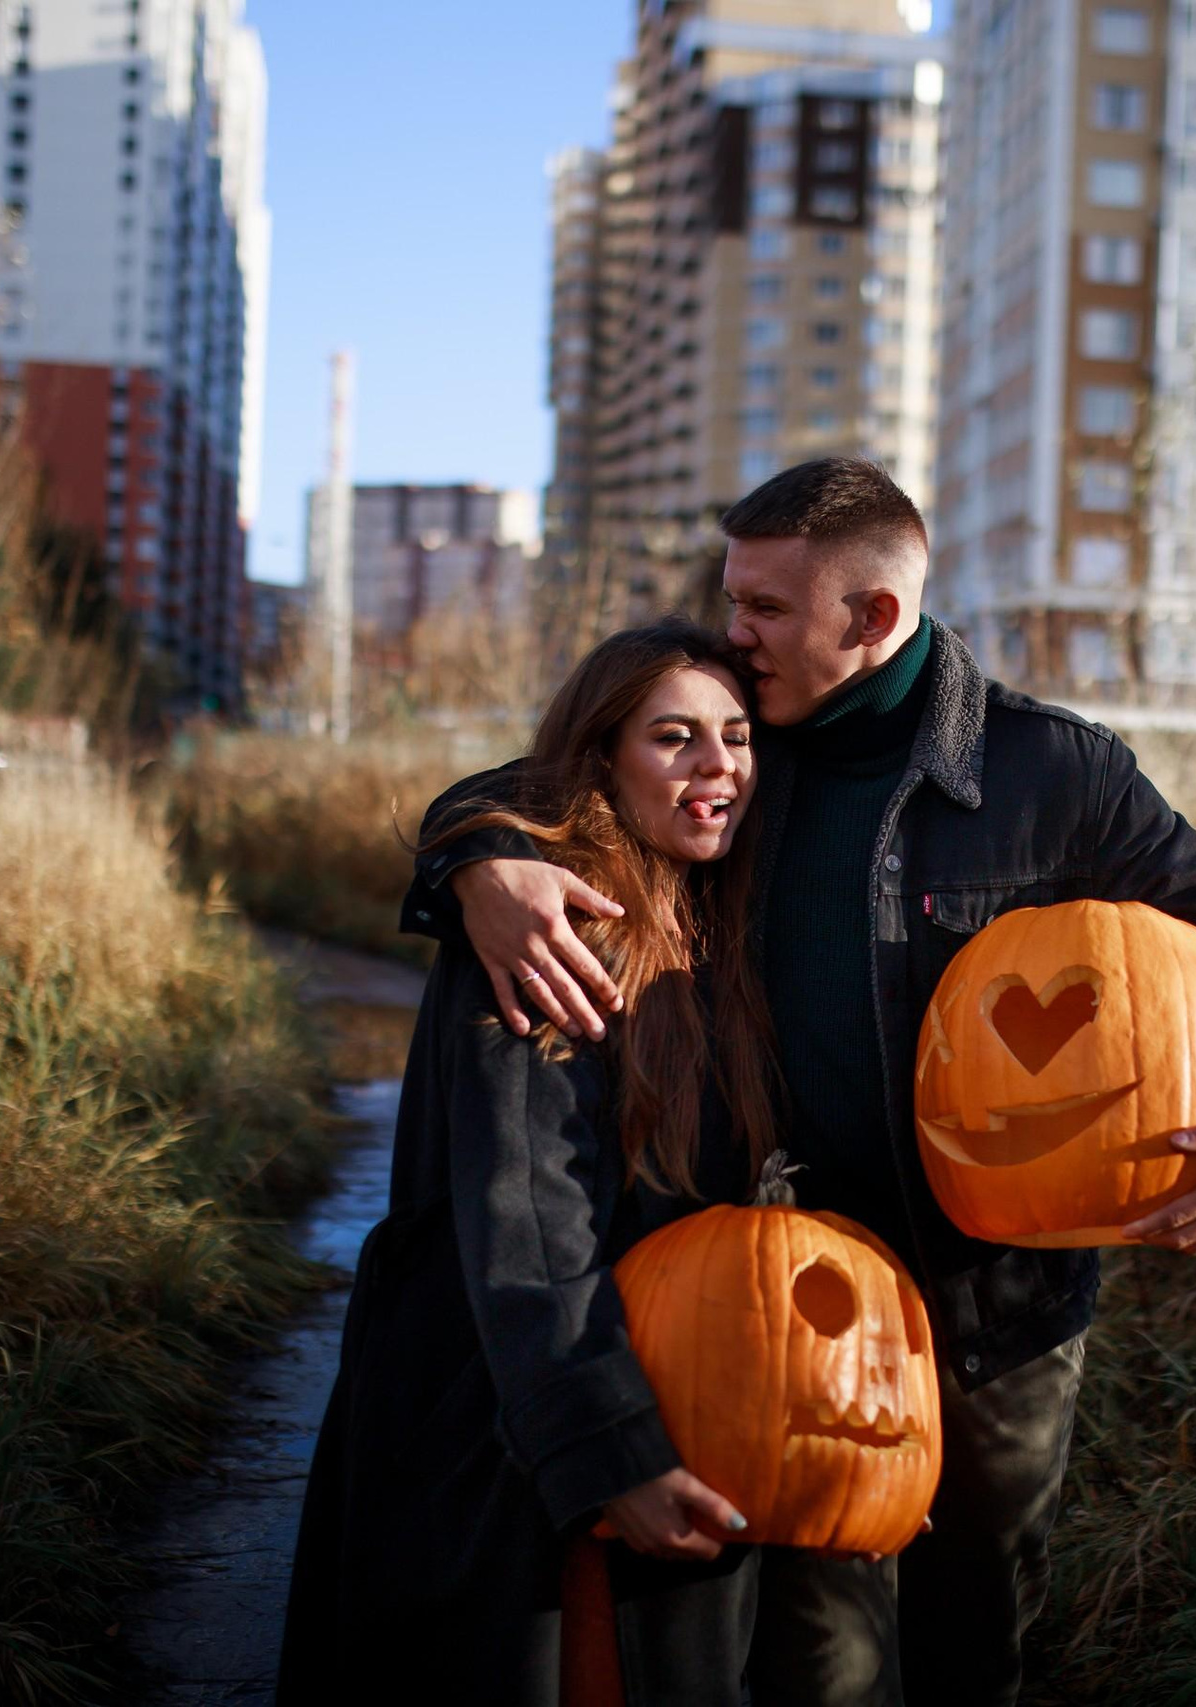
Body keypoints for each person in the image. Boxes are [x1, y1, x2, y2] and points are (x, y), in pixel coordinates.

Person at [403, 458, 1196, 1704]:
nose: (733, 636)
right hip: (787, 1307)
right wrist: (476, 853)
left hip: (999, 1309)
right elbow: (566, 774)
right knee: (816, 1665)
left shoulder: (1051, 774)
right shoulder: (751, 753)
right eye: (731, 601)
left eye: (763, 610)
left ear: (871, 619)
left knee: (975, 1642)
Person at [278, 621, 787, 1706]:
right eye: (675, 738)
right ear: (602, 760)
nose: (718, 766)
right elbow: (530, 1217)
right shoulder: (553, 930)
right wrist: (609, 1448)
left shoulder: (716, 915)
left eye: (737, 737)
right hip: (498, 1410)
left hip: (656, 1384)